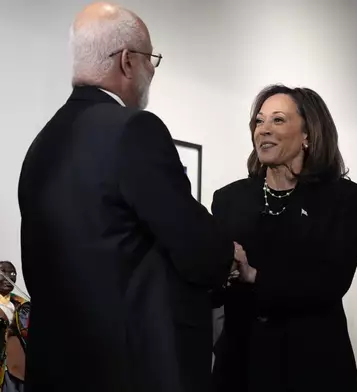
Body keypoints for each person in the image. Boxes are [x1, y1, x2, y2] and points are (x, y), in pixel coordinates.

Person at [18, 3, 233, 392]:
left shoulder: (41, 144)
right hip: (128, 370)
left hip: (56, 369)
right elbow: (196, 247)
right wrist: (228, 255)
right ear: (128, 61)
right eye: (151, 59)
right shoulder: (135, 129)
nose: (152, 71)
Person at [210, 84, 357, 392]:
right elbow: (216, 282)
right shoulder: (229, 198)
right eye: (259, 121)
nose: (264, 130)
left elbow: (331, 282)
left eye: (278, 120)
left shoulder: (344, 198)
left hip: (312, 365)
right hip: (241, 365)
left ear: (308, 134)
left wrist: (254, 275)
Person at [0, 262, 29, 392]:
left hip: (17, 369)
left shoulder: (21, 305)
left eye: (12, 274)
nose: (9, 278)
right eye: (3, 273)